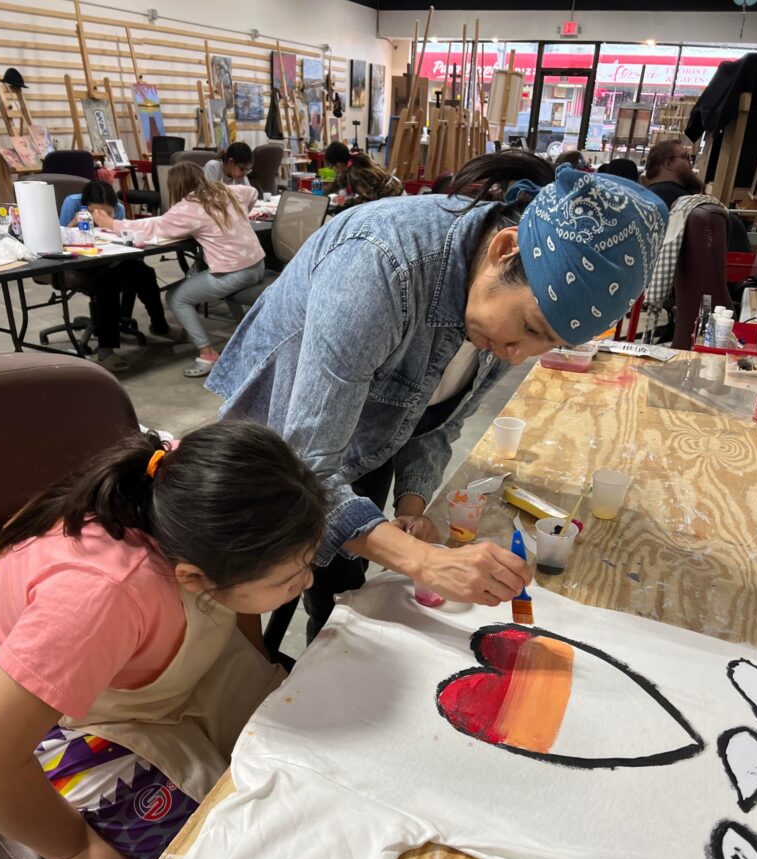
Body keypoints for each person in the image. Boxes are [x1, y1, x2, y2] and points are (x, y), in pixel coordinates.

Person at [206, 153, 668, 641]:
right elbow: (304, 465)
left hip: (364, 432)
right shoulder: (381, 262)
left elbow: (434, 416)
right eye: (530, 328)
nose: (518, 356)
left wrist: (411, 507)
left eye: (548, 343)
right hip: (277, 440)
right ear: (505, 251)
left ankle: (327, 633)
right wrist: (424, 561)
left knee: (342, 584)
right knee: (255, 587)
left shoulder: (495, 311)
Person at [0, 420, 327, 859]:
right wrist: (74, 850)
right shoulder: (100, 598)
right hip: (58, 707)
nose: (309, 580)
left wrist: (257, 672)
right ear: (195, 578)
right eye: (290, 577)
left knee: (311, 766)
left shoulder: (197, 502)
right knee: (222, 857)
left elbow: (241, 605)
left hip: (144, 660)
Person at [92, 162, 265, 378]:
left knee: (176, 298)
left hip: (234, 272)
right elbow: (251, 192)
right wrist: (237, 215)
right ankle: (238, 337)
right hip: (257, 264)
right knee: (195, 281)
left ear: (176, 186)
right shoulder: (225, 190)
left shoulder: (189, 207)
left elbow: (155, 227)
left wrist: (112, 224)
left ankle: (208, 353)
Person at [58, 181, 170, 373]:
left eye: (108, 213)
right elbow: (58, 239)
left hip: (112, 256)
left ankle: (159, 325)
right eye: (96, 212)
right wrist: (73, 224)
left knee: (145, 273)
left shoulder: (118, 207)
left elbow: (123, 236)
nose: (104, 217)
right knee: (107, 284)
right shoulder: (72, 203)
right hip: (81, 261)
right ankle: (106, 351)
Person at [645, 140, 751, 251]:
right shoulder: (666, 195)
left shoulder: (654, 196)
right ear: (668, 164)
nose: (691, 164)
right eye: (686, 157)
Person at [323, 141, 403, 206]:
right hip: (393, 191)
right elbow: (338, 182)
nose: (332, 169)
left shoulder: (356, 172)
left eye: (332, 166)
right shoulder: (351, 160)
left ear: (338, 164)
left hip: (394, 197)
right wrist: (320, 194)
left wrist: (345, 202)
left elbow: (367, 200)